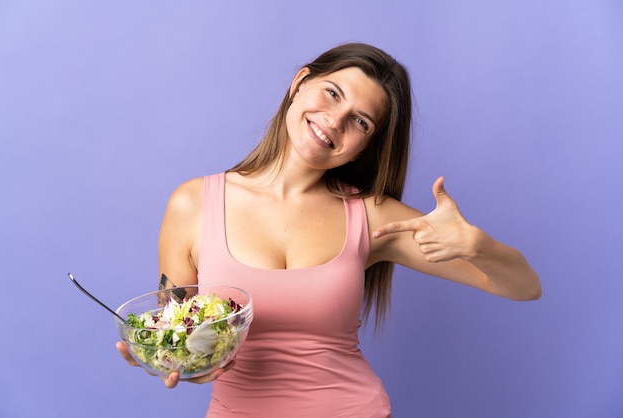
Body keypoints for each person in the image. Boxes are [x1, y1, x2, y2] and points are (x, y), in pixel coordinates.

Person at [117, 42, 541, 417]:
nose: (335, 121)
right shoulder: (193, 204)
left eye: (360, 122)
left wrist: (477, 244)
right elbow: (177, 337)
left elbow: (524, 287)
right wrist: (166, 360)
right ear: (300, 83)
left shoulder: (373, 217)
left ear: (368, 145)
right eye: (332, 93)